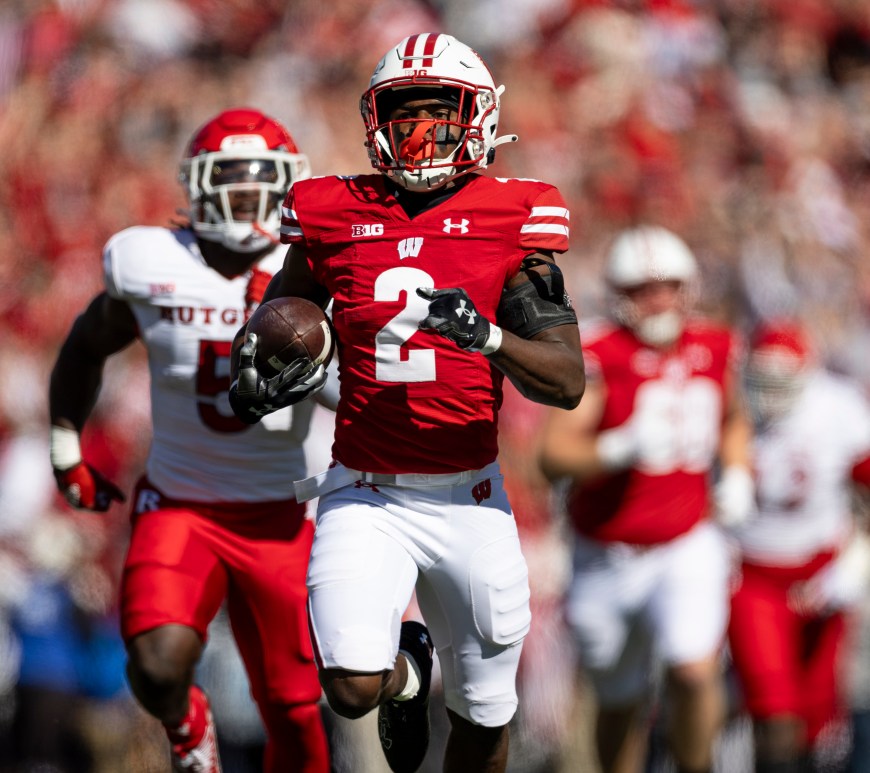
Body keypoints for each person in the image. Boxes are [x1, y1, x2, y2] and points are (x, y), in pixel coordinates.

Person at [227, 32, 585, 773]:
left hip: (469, 495)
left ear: (478, 118)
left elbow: (564, 379)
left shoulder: (511, 213)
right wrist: (256, 376)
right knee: (351, 683)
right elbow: (276, 324)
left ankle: (432, 682)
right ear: (375, 121)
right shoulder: (331, 211)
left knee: (484, 719)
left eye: (437, 111)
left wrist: (488, 336)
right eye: (404, 112)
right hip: (365, 489)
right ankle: (405, 673)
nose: (419, 130)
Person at [48, 108, 333, 773]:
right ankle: (188, 729)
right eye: (230, 181)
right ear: (198, 186)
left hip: (279, 511)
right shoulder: (151, 262)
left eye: (259, 184)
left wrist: (311, 356)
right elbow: (86, 343)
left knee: (293, 705)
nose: (245, 199)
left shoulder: (310, 270)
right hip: (181, 502)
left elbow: (353, 390)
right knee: (154, 662)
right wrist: (67, 445)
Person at [538, 225, 753, 773]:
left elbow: (732, 417)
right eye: (642, 289)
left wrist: (737, 472)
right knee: (618, 698)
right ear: (619, 294)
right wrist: (617, 448)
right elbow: (554, 455)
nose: (657, 300)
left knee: (693, 670)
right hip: (605, 550)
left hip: (685, 541)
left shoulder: (714, 345)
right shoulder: (600, 354)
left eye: (667, 287)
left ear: (687, 288)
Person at [726, 320, 870, 773]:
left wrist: (857, 561)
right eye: (761, 380)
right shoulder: (728, 406)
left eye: (781, 381)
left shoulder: (837, 408)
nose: (770, 393)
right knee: (775, 712)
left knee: (818, 719)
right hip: (753, 576)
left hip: (821, 573)